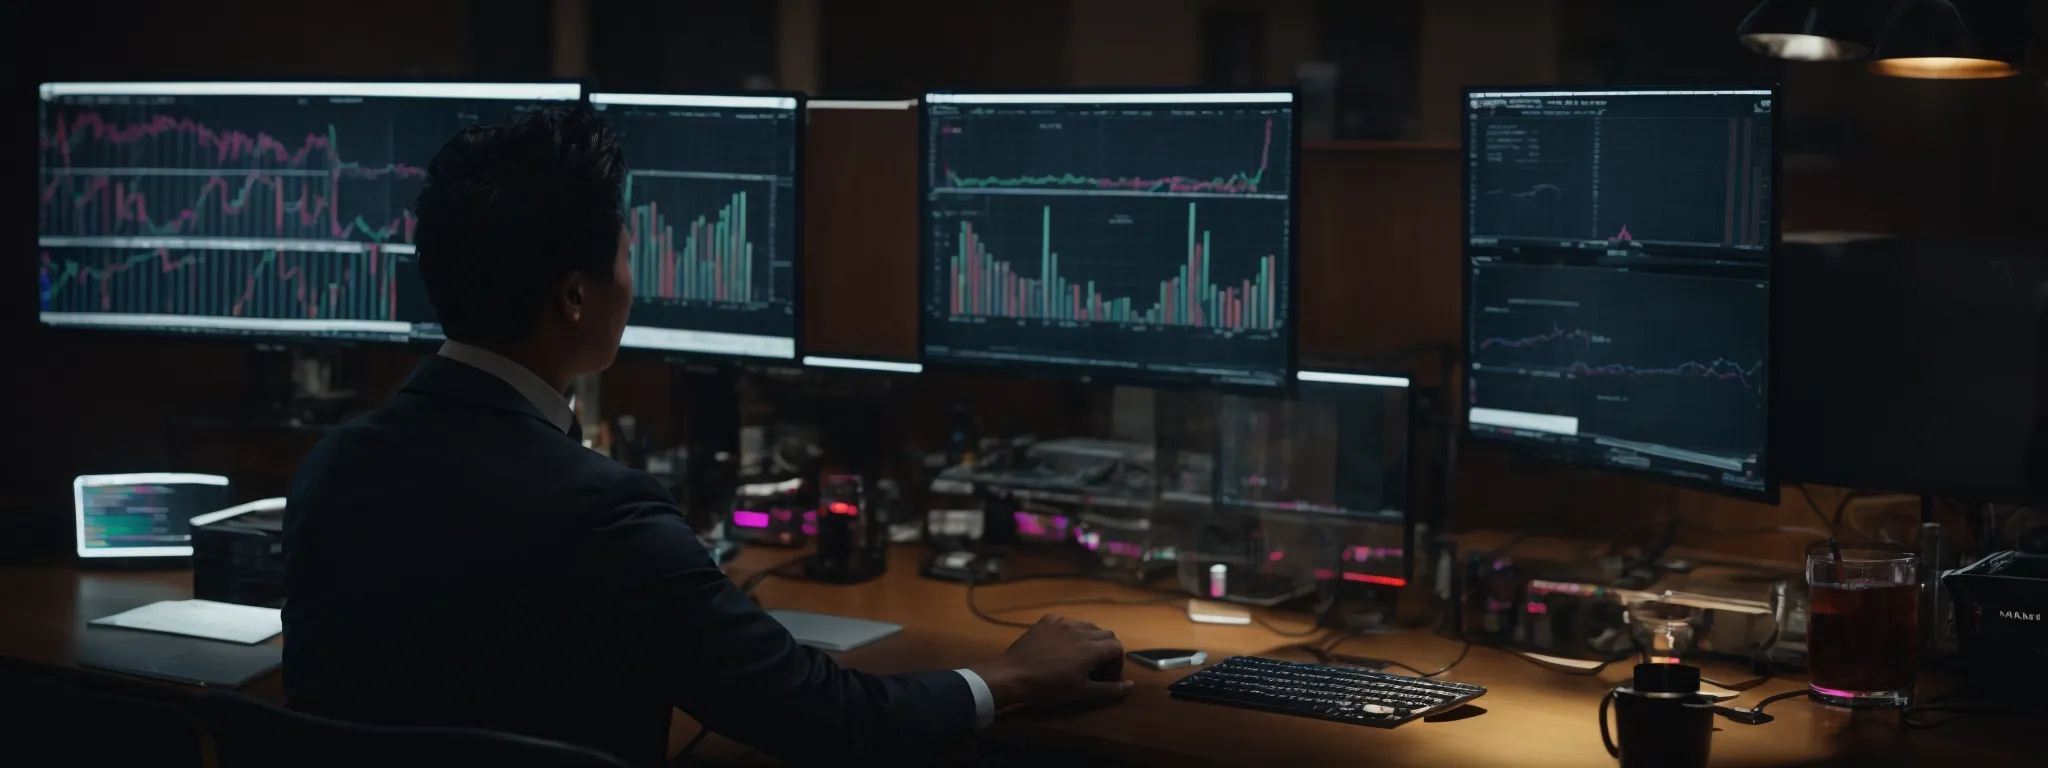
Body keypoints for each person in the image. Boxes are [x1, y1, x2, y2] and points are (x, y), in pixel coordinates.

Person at [281, 103, 1132, 766]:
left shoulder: (332, 468)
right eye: (622, 254)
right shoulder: (606, 515)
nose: (632, 278)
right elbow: (827, 722)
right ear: (575, 297)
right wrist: (1008, 676)